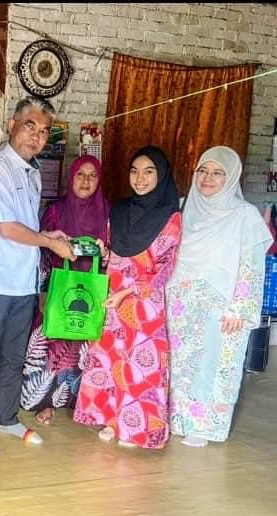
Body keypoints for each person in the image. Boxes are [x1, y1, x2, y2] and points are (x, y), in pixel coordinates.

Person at [0, 96, 75, 457]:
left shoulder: (32, 173)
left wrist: (48, 236)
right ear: (13, 125)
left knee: (15, 356)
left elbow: (25, 226)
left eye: (44, 132)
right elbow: (8, 229)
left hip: (24, 283)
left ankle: (7, 418)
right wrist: (51, 243)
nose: (37, 137)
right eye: (30, 126)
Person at [73, 145, 181, 450]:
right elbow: (114, 256)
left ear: (161, 175)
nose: (140, 178)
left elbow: (164, 267)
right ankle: (111, 419)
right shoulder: (118, 210)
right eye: (134, 171)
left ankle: (136, 429)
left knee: (139, 365)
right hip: (112, 296)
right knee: (111, 359)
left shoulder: (170, 215)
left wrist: (128, 292)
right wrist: (104, 252)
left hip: (143, 302)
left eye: (148, 172)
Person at [166, 146, 272, 447]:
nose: (208, 178)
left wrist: (240, 308)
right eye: (203, 171)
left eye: (217, 173)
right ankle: (177, 419)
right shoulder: (184, 207)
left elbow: (252, 265)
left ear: (232, 177)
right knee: (180, 363)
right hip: (181, 300)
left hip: (222, 303)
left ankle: (205, 426)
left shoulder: (244, 215)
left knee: (214, 363)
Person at [21, 155, 110, 425]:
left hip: (92, 291)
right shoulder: (56, 211)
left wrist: (105, 254)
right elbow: (40, 251)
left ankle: (78, 403)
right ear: (71, 178)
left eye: (92, 176)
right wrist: (42, 291)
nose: (86, 181)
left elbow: (116, 255)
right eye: (80, 174)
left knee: (82, 347)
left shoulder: (108, 212)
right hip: (58, 288)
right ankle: (45, 403)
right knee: (52, 344)